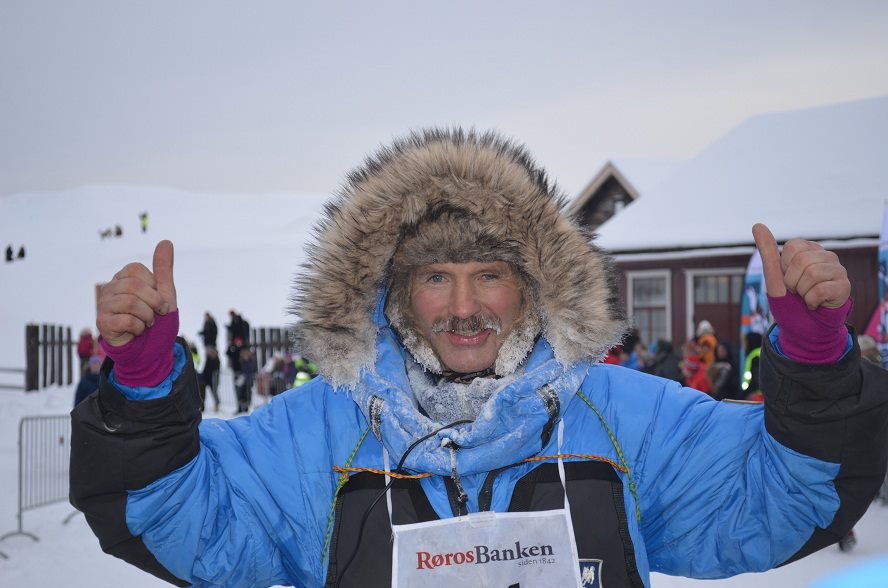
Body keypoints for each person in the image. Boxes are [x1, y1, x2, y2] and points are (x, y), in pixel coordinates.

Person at [70, 129, 888, 588]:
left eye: (489, 273)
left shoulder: (623, 417)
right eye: (436, 277)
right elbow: (186, 519)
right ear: (394, 292)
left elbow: (775, 497)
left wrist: (817, 358)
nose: (465, 306)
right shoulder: (316, 435)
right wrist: (143, 384)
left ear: (532, 284)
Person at [199, 346, 220, 412]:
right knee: (202, 392)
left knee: (214, 392)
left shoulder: (216, 360)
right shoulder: (208, 358)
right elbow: (205, 368)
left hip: (213, 379)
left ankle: (217, 405)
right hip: (205, 378)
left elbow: (216, 370)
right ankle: (202, 406)